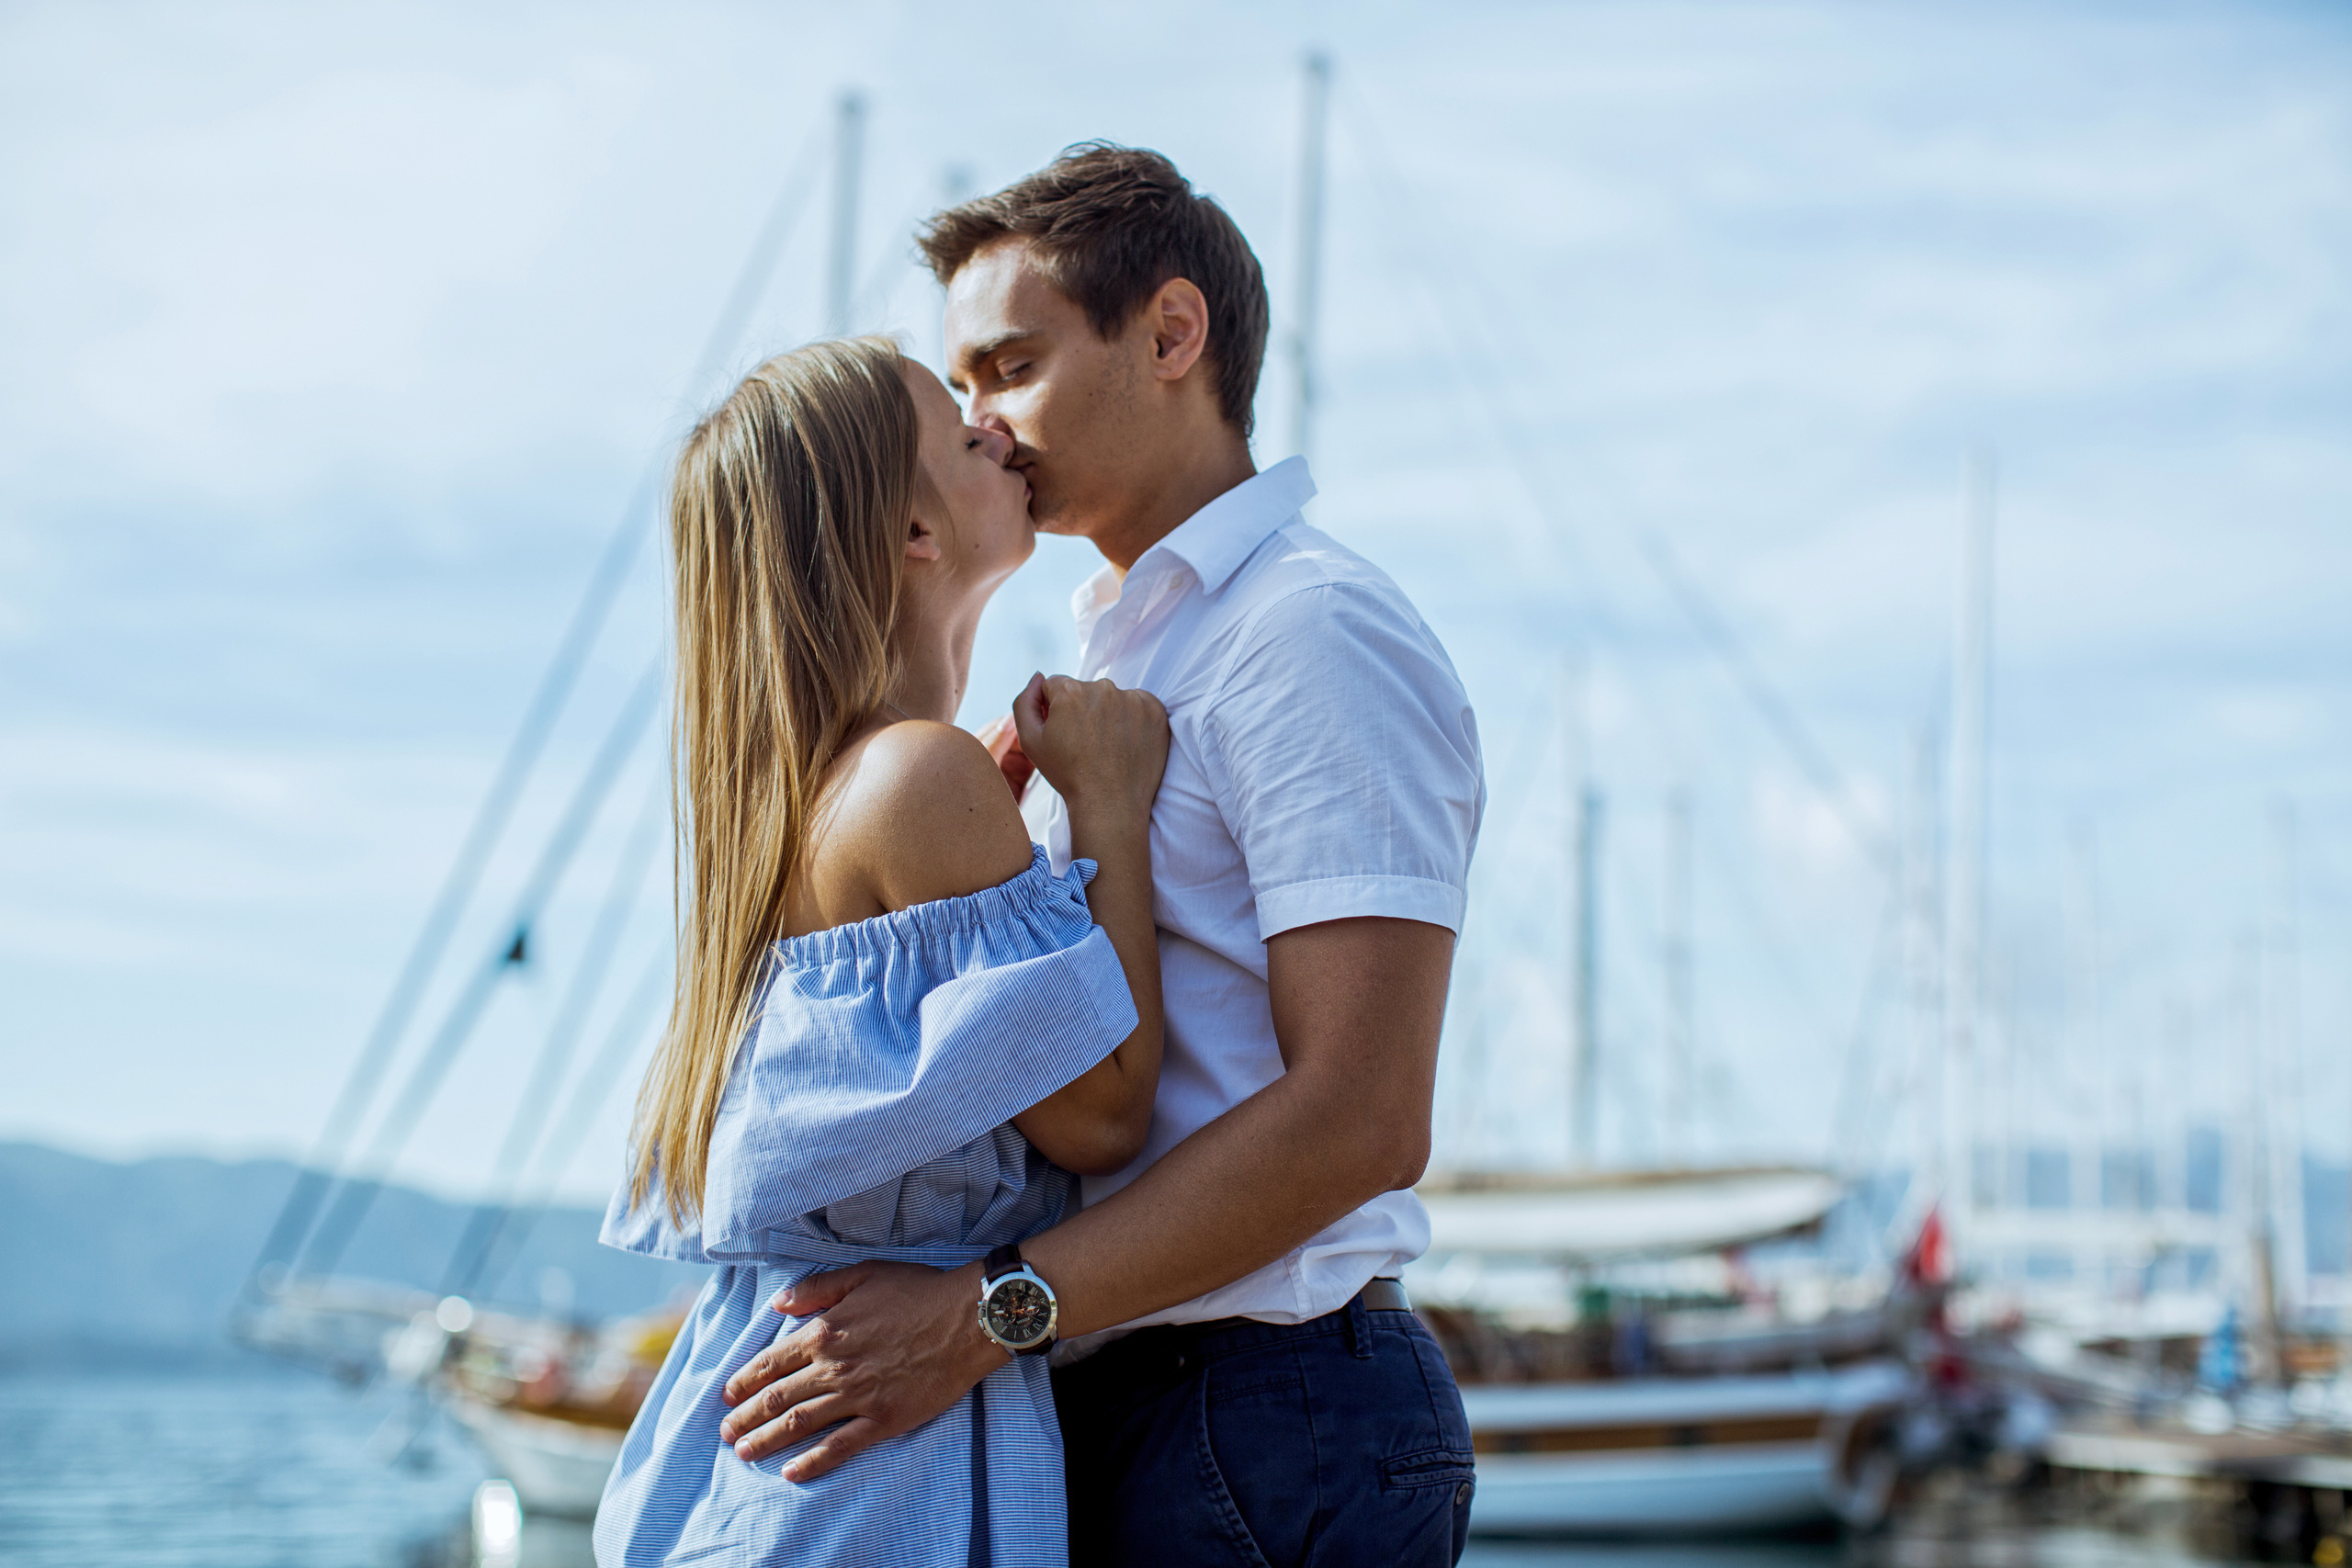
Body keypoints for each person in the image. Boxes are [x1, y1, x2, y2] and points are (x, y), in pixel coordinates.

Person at [718, 146, 1488, 1566]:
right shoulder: (1119, 659)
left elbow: (1366, 1116)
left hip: (1269, 1401)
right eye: (959, 395)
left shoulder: (1305, 633)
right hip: (1146, 1407)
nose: (985, 428)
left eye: (1008, 369)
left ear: (1172, 336)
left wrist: (983, 1317)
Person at [593, 334, 1172, 1567]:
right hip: (868, 1496)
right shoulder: (918, 778)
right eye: (963, 438)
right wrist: (1111, 809)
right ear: (913, 533)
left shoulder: (804, 808)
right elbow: (1108, 1115)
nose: (999, 432)